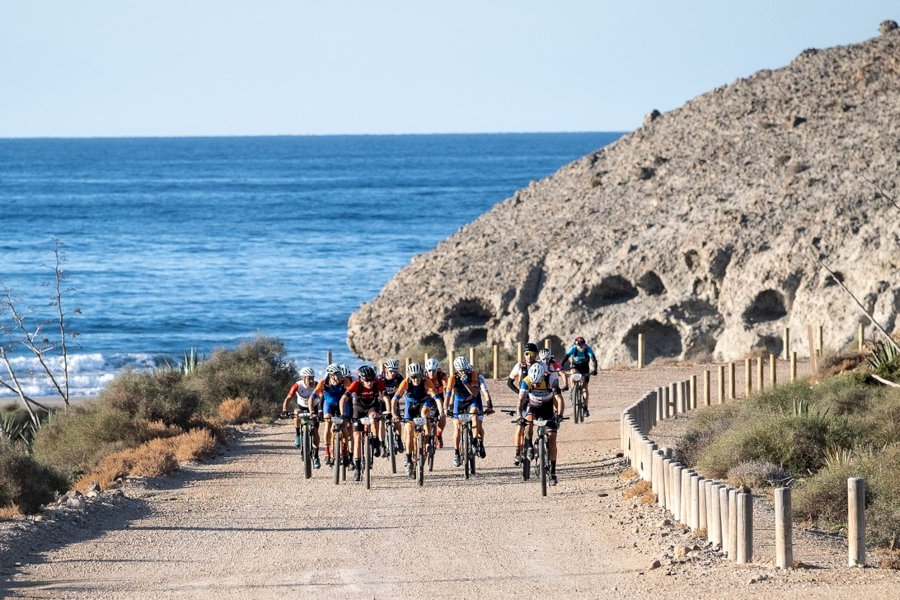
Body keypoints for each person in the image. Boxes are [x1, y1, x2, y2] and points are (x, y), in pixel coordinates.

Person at [392, 362, 443, 476]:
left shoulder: (426, 382)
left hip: (423, 403)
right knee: (409, 431)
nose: (416, 379)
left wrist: (442, 411)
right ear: (409, 376)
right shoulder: (405, 382)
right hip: (410, 408)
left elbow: (437, 398)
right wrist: (394, 414)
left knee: (425, 414)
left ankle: (429, 441)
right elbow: (394, 399)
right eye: (413, 377)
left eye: (418, 376)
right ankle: (408, 457)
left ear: (422, 375)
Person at [518, 361, 565, 485]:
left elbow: (559, 400)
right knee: (528, 423)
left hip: (548, 409)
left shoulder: (551, 379)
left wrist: (559, 415)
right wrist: (519, 416)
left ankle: (553, 472)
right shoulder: (527, 381)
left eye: (538, 382)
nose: (536, 385)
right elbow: (520, 400)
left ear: (542, 376)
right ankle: (528, 446)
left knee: (552, 439)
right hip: (533, 407)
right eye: (534, 383)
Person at [340, 365, 390, 481]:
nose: (370, 383)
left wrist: (388, 412)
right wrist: (343, 414)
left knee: (374, 417)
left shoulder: (377, 383)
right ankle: (357, 468)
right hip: (358, 408)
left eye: (371, 380)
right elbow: (343, 399)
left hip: (372, 407)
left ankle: (376, 441)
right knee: (357, 439)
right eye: (367, 381)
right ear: (361, 379)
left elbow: (386, 397)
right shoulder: (356, 384)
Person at [446, 356, 493, 467]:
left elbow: (483, 392)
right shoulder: (453, 378)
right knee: (457, 427)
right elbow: (451, 394)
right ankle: (456, 452)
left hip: (474, 400)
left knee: (477, 421)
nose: (464, 372)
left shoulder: (477, 377)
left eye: (466, 370)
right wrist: (448, 408)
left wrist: (489, 405)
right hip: (460, 402)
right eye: (461, 370)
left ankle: (478, 442)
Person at [311, 363, 352, 467]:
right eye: (337, 374)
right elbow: (312, 397)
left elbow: (353, 395)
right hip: (329, 404)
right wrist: (314, 412)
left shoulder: (345, 381)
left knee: (344, 426)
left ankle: (345, 450)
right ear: (330, 375)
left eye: (340, 373)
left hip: (343, 405)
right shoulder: (323, 383)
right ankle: (327, 451)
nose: (340, 376)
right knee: (328, 423)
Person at [281, 366, 322, 469]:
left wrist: (321, 411)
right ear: (303, 378)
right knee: (296, 412)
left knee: (315, 432)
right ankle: (298, 434)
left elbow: (322, 398)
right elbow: (288, 398)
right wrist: (284, 410)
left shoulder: (317, 385)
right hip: (301, 407)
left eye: (312, 378)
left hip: (314, 408)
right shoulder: (297, 385)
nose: (311, 380)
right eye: (309, 378)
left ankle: (316, 456)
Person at [507, 342, 539, 466]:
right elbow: (509, 382)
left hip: (537, 400)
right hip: (524, 401)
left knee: (535, 423)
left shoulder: (540, 365)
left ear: (535, 354)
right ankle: (517, 453)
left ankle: (537, 445)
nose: (529, 356)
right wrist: (519, 393)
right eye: (526, 354)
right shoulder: (520, 366)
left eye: (531, 354)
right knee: (520, 426)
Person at [561, 336, 598, 417]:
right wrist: (561, 367)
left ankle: (585, 408)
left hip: (585, 367)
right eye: (579, 346)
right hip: (575, 365)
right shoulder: (573, 349)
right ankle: (572, 391)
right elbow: (565, 358)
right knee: (572, 375)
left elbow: (593, 359)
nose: (580, 348)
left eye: (582, 346)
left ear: (585, 345)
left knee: (585, 387)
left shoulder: (588, 349)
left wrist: (595, 370)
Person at [380, 358, 405, 453]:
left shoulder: (399, 378)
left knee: (397, 420)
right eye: (391, 371)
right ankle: (382, 444)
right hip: (382, 401)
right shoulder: (380, 378)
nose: (393, 373)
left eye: (395, 370)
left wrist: (397, 398)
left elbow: (403, 390)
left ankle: (399, 440)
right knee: (381, 422)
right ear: (386, 370)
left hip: (394, 400)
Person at [424, 357, 449, 448]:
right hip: (428, 398)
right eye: (429, 370)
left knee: (443, 415)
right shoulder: (424, 376)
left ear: (437, 369)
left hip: (440, 397)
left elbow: (446, 389)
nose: (432, 373)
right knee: (427, 417)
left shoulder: (441, 375)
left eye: (434, 370)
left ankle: (439, 433)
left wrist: (446, 404)